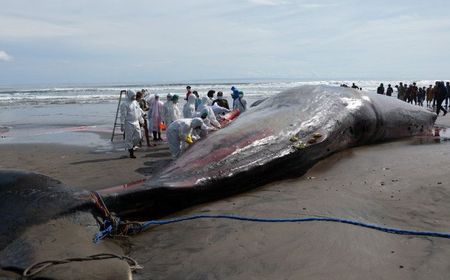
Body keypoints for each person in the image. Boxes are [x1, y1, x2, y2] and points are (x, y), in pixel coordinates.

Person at [120, 90, 144, 158]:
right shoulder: (124, 104)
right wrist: (122, 124)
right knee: (129, 138)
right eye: (133, 96)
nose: (134, 97)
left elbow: (138, 112)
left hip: (136, 122)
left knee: (139, 137)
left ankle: (131, 146)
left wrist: (141, 120)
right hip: (128, 123)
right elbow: (123, 115)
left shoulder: (135, 102)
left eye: (135, 96)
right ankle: (131, 152)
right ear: (130, 95)